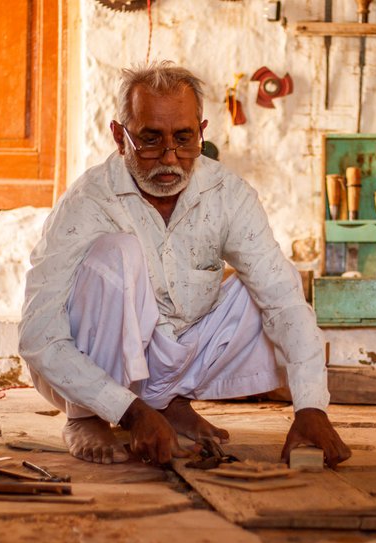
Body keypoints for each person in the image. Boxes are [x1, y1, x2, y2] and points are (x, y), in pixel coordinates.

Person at [18, 61, 351, 468]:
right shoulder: (89, 201)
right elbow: (37, 335)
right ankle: (87, 417)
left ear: (202, 132)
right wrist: (130, 412)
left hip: (173, 360)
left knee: (265, 288)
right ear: (120, 137)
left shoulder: (227, 194)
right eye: (151, 140)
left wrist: (311, 408)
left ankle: (172, 404)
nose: (170, 158)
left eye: (184, 138)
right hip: (93, 367)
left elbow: (284, 302)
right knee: (117, 254)